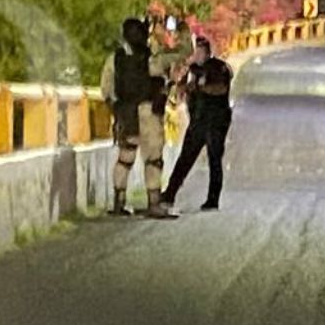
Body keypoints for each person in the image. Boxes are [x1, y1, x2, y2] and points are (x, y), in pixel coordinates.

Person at [100, 18, 171, 218]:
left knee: (125, 158)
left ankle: (118, 202)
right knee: (153, 160)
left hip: (126, 112)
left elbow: (106, 90)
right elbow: (161, 84)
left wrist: (117, 110)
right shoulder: (151, 57)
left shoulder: (115, 58)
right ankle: (154, 203)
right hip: (148, 112)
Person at [161, 36, 234, 212]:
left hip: (216, 120)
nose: (198, 54)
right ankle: (170, 194)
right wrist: (181, 85)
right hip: (198, 121)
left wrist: (200, 87)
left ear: (208, 52)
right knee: (185, 159)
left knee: (214, 160)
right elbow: (180, 92)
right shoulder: (193, 71)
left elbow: (221, 89)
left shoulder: (219, 67)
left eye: (201, 51)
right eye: (196, 51)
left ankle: (213, 199)